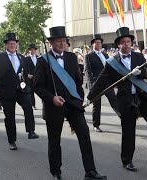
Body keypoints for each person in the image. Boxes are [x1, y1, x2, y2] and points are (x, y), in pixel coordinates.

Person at [87, 27, 147, 172]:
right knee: (128, 132)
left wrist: (141, 74)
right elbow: (101, 81)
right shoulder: (111, 62)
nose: (126, 44)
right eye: (123, 42)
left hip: (143, 96)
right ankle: (127, 161)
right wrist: (89, 97)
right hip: (126, 100)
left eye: (128, 41)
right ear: (118, 45)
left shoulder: (139, 57)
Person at [33, 26, 106, 180]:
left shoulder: (72, 58)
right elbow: (37, 86)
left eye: (63, 40)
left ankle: (90, 171)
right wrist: (52, 98)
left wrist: (79, 99)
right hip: (54, 105)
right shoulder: (42, 61)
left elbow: (78, 82)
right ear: (51, 42)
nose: (61, 43)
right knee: (55, 140)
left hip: (73, 104)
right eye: (58, 40)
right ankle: (56, 172)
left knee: (84, 134)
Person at [0, 32, 39, 150]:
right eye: (10, 43)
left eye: (14, 43)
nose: (12, 45)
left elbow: (25, 74)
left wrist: (27, 86)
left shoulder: (22, 57)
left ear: (16, 44)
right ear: (6, 45)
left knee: (28, 107)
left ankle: (31, 131)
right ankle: (12, 141)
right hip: (6, 92)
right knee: (10, 117)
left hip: (22, 90)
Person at [84, 34, 119, 132]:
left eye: (100, 42)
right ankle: (96, 124)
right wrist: (92, 86)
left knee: (114, 101)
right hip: (97, 84)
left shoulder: (105, 55)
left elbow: (110, 68)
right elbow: (87, 71)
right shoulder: (89, 56)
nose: (99, 44)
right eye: (97, 42)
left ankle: (123, 118)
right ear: (93, 44)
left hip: (107, 82)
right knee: (97, 105)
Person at [24, 43, 38, 110]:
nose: (32, 51)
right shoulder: (26, 59)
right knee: (31, 92)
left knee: (42, 91)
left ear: (35, 50)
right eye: (30, 50)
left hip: (38, 78)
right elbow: (24, 68)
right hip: (30, 78)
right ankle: (33, 105)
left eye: (33, 49)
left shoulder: (39, 58)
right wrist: (27, 74)